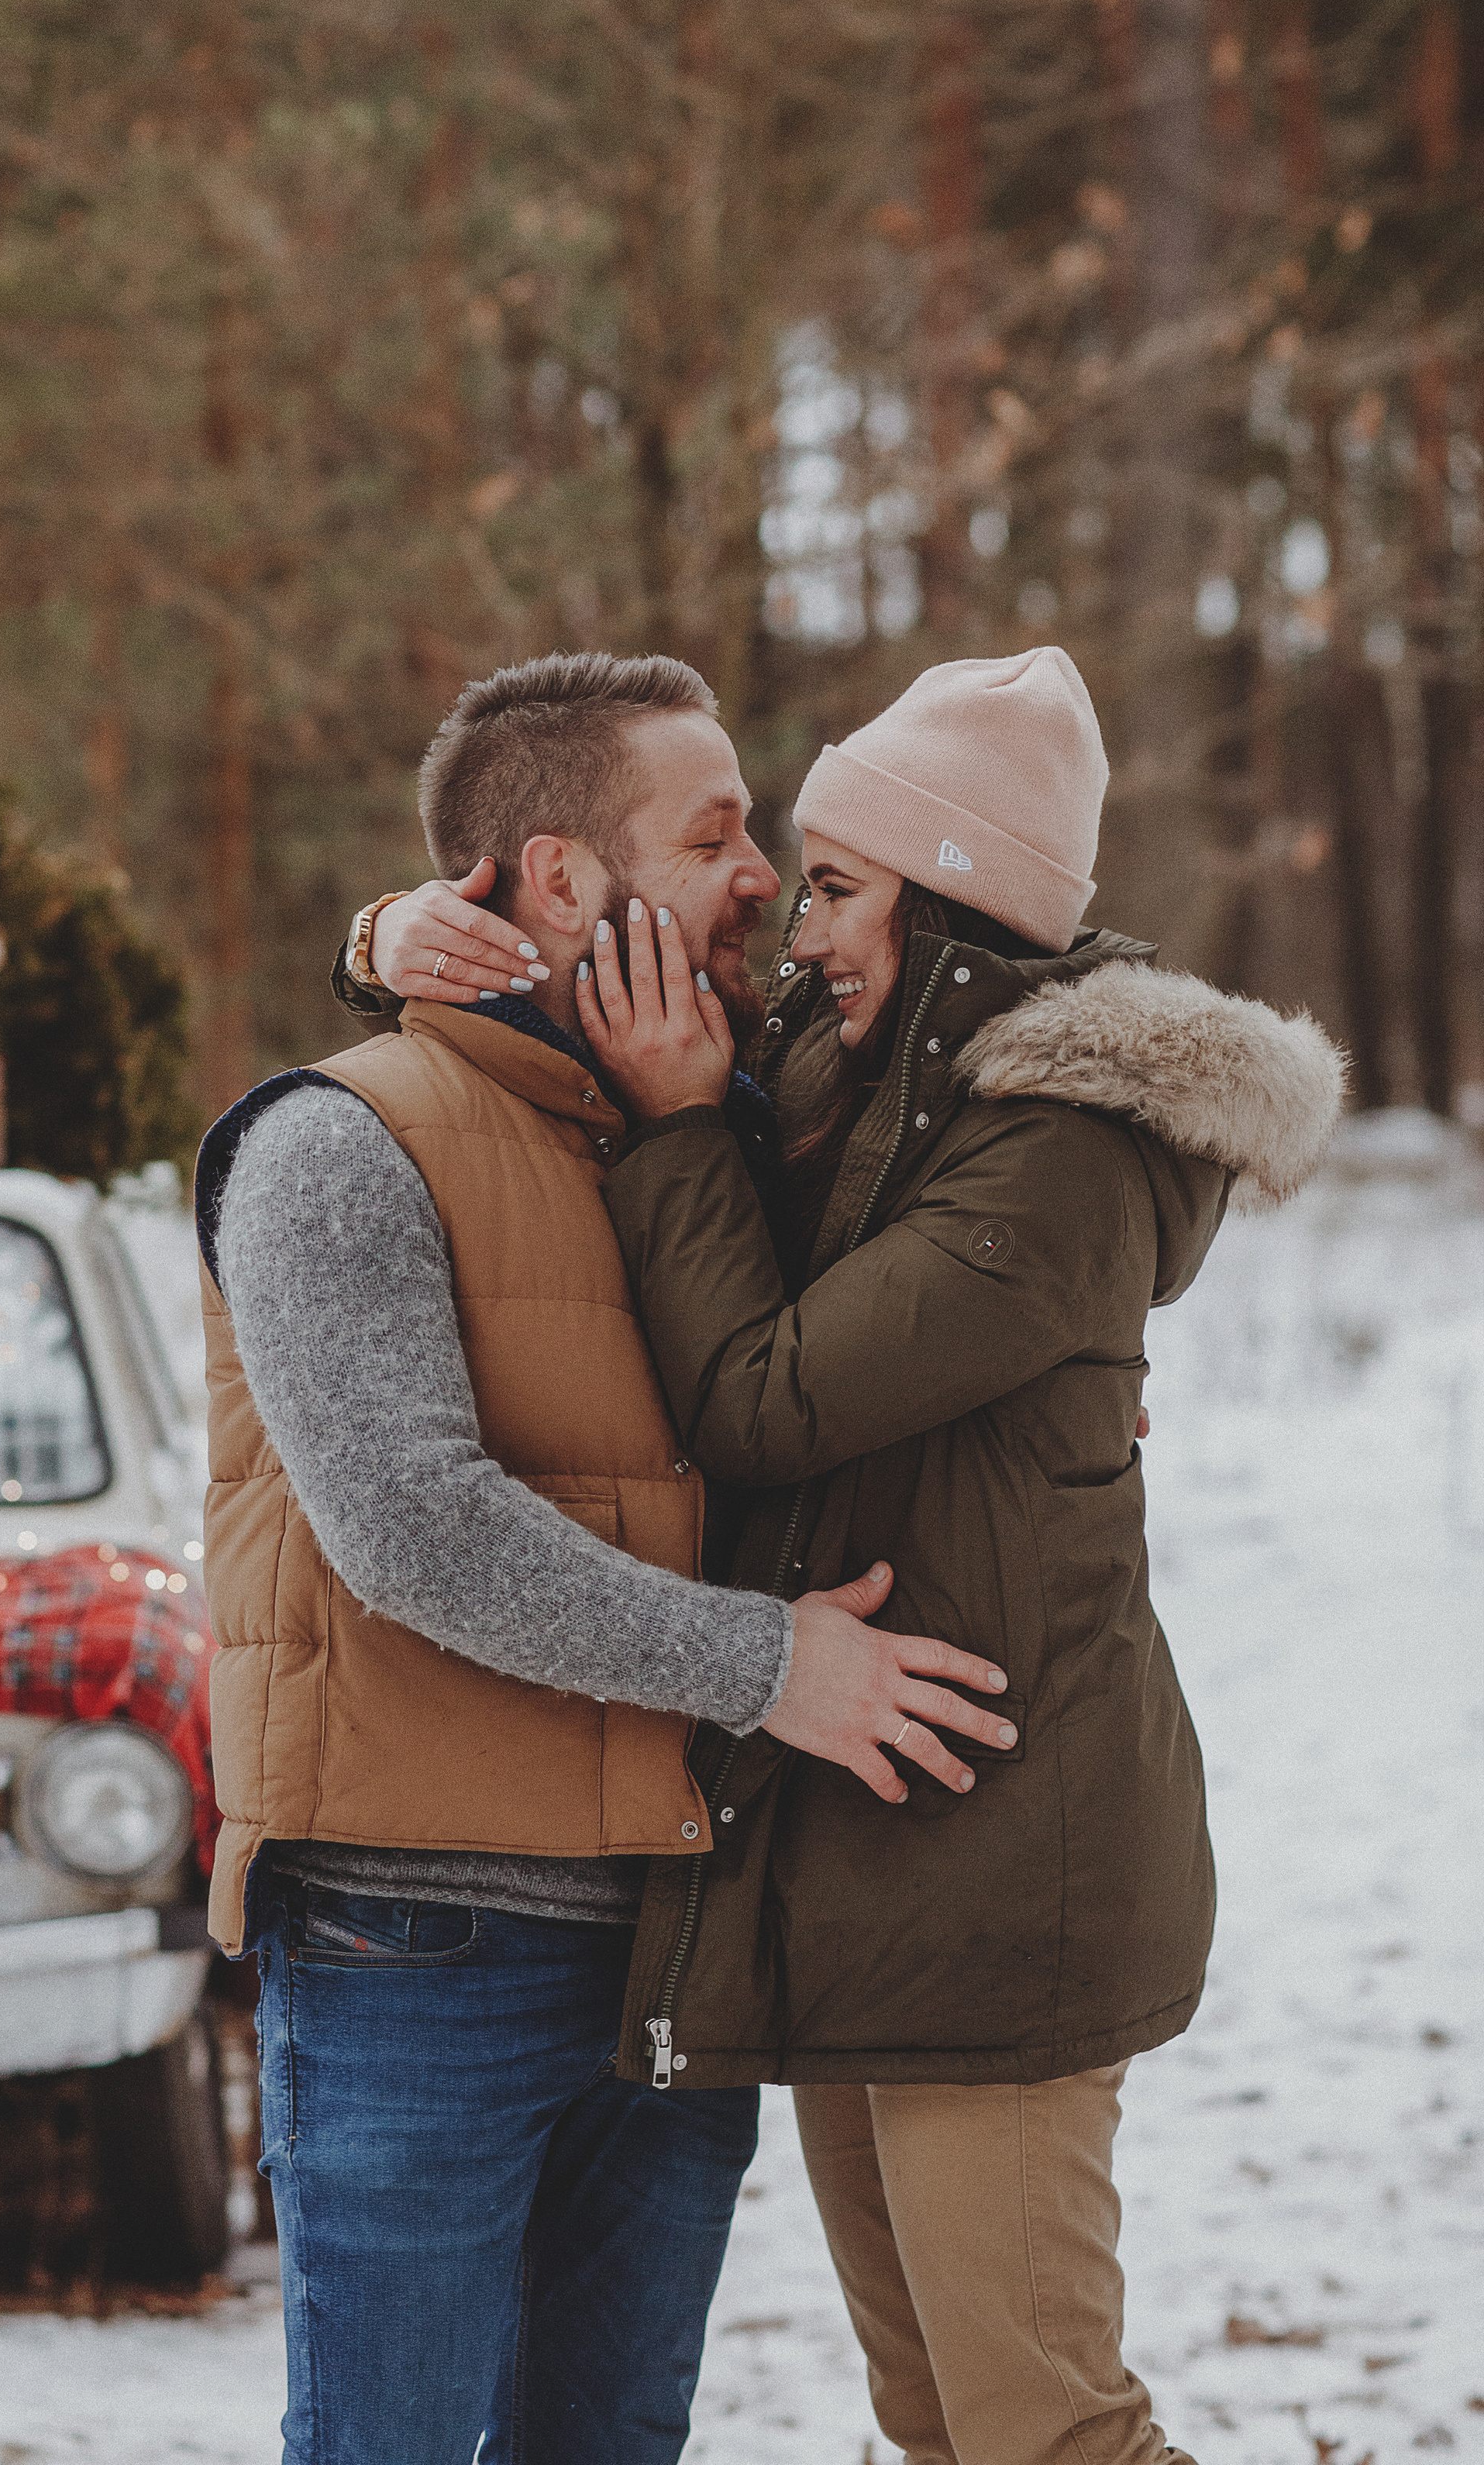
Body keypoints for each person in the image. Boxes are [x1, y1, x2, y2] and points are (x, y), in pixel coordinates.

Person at [364, 643, 1345, 2465]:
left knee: (1046, 2430)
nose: (793, 927)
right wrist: (399, 937)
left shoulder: (1058, 1151)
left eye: (832, 885)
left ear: (951, 900)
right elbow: (592, 986)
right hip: (874, 1855)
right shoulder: (860, 1079)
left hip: (1002, 1863)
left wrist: (677, 1125)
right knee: (936, 2418)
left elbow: (762, 1397)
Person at [195, 650, 1021, 2465]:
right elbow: (413, 1531)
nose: (760, 879)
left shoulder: (716, 1134)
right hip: (416, 1948)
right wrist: (769, 1667)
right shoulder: (335, 1143)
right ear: (562, 881)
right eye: (713, 837)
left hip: (669, 1946)